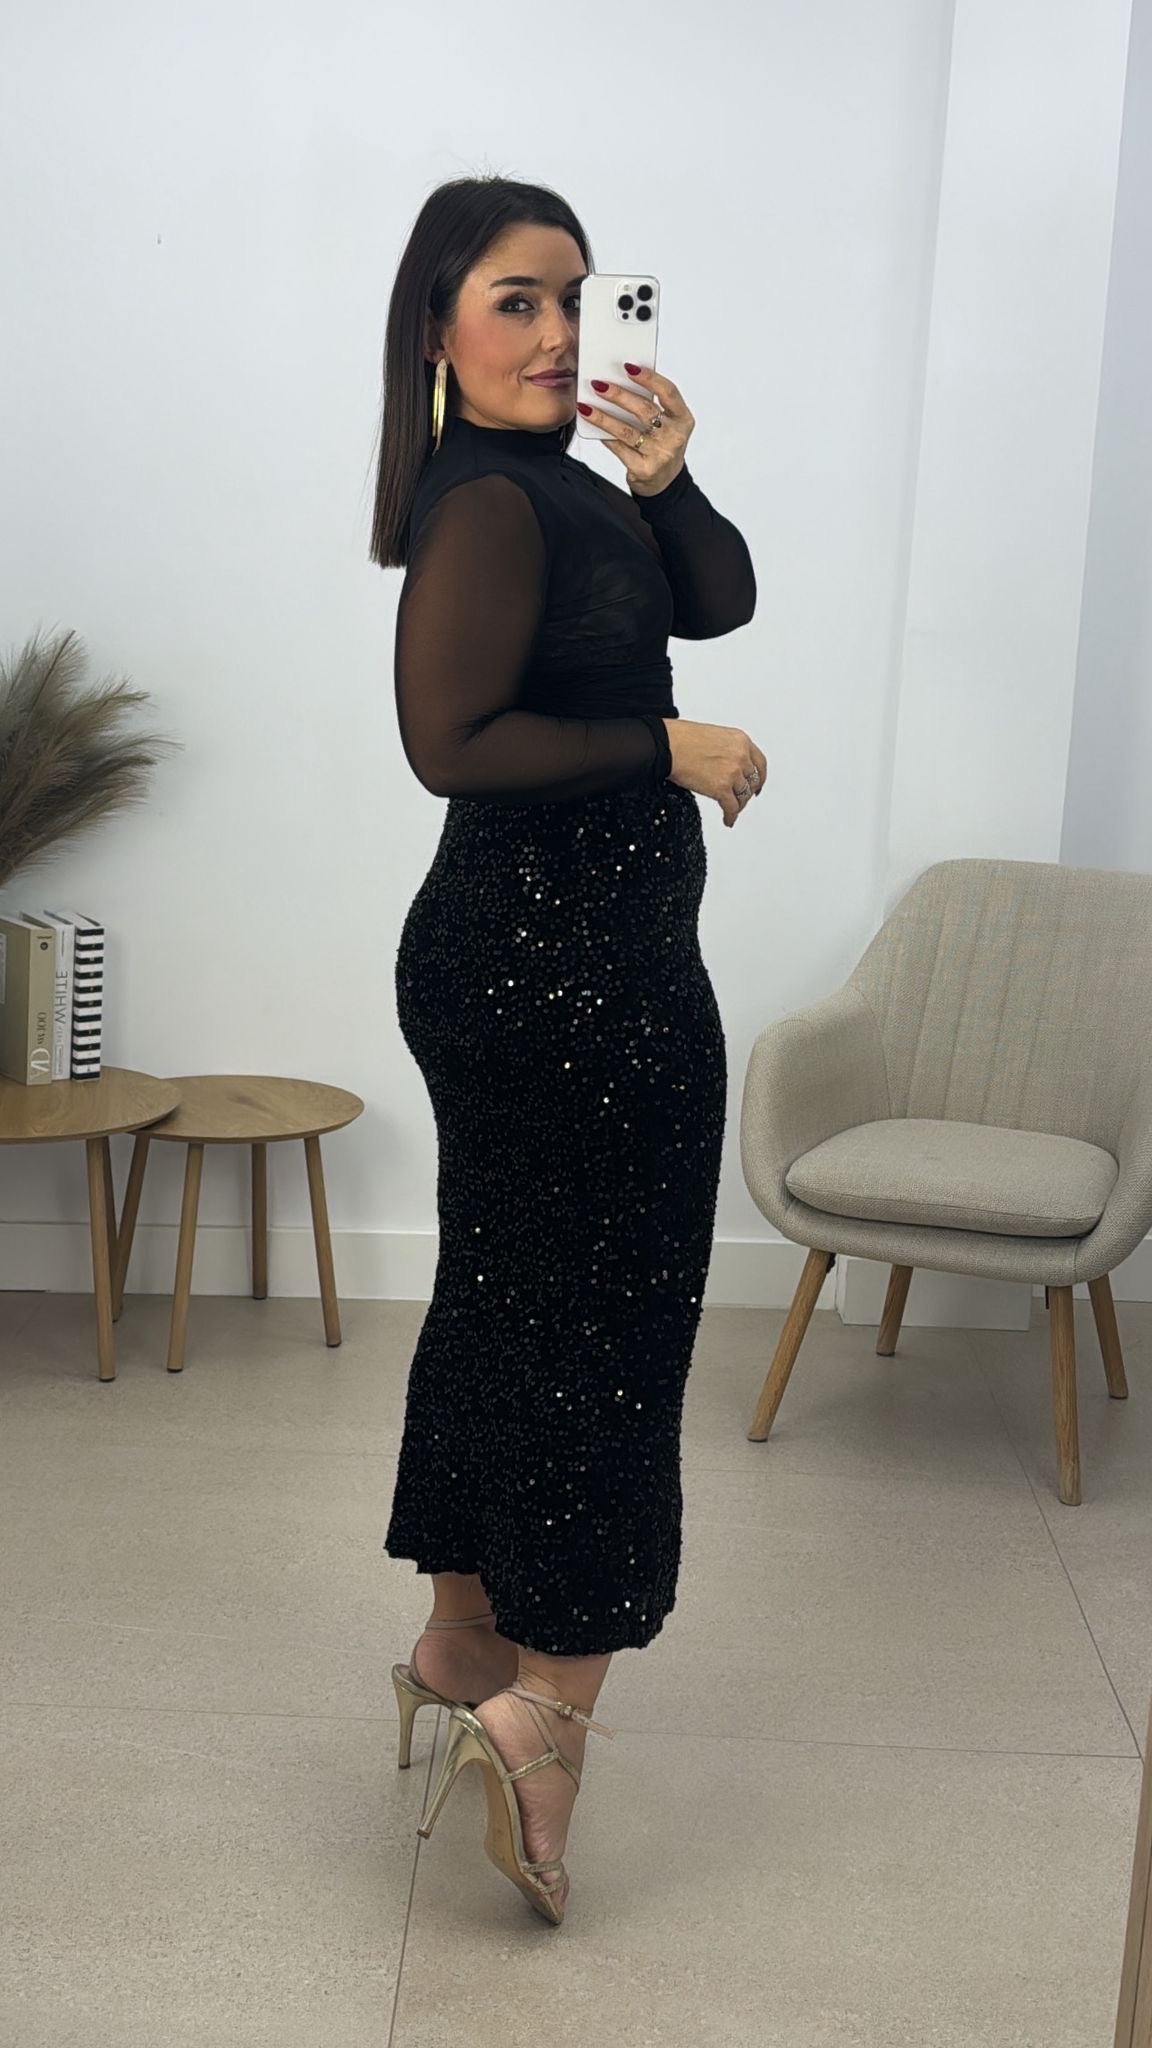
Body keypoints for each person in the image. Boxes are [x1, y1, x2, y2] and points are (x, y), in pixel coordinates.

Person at [369, 174, 766, 1926]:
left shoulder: (563, 485)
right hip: (565, 982)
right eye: (517, 301)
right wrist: (664, 748)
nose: (557, 334)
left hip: (548, 972)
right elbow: (448, 741)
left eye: (576, 300)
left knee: (512, 1300)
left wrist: (665, 478)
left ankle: (462, 1646)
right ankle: (547, 1716)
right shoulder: (484, 505)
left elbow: (720, 598)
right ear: (438, 330)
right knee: (612, 1330)